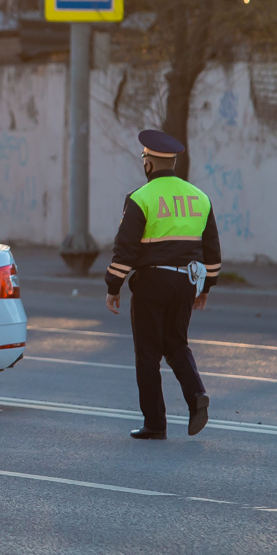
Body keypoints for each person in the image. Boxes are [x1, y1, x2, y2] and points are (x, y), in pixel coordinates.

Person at [104, 130, 222, 440]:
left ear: (148, 164)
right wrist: (206, 287)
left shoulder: (140, 198)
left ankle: (155, 423)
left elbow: (125, 249)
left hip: (153, 281)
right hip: (187, 281)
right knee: (176, 343)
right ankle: (197, 396)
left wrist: (113, 285)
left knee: (148, 353)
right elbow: (212, 249)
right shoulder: (200, 197)